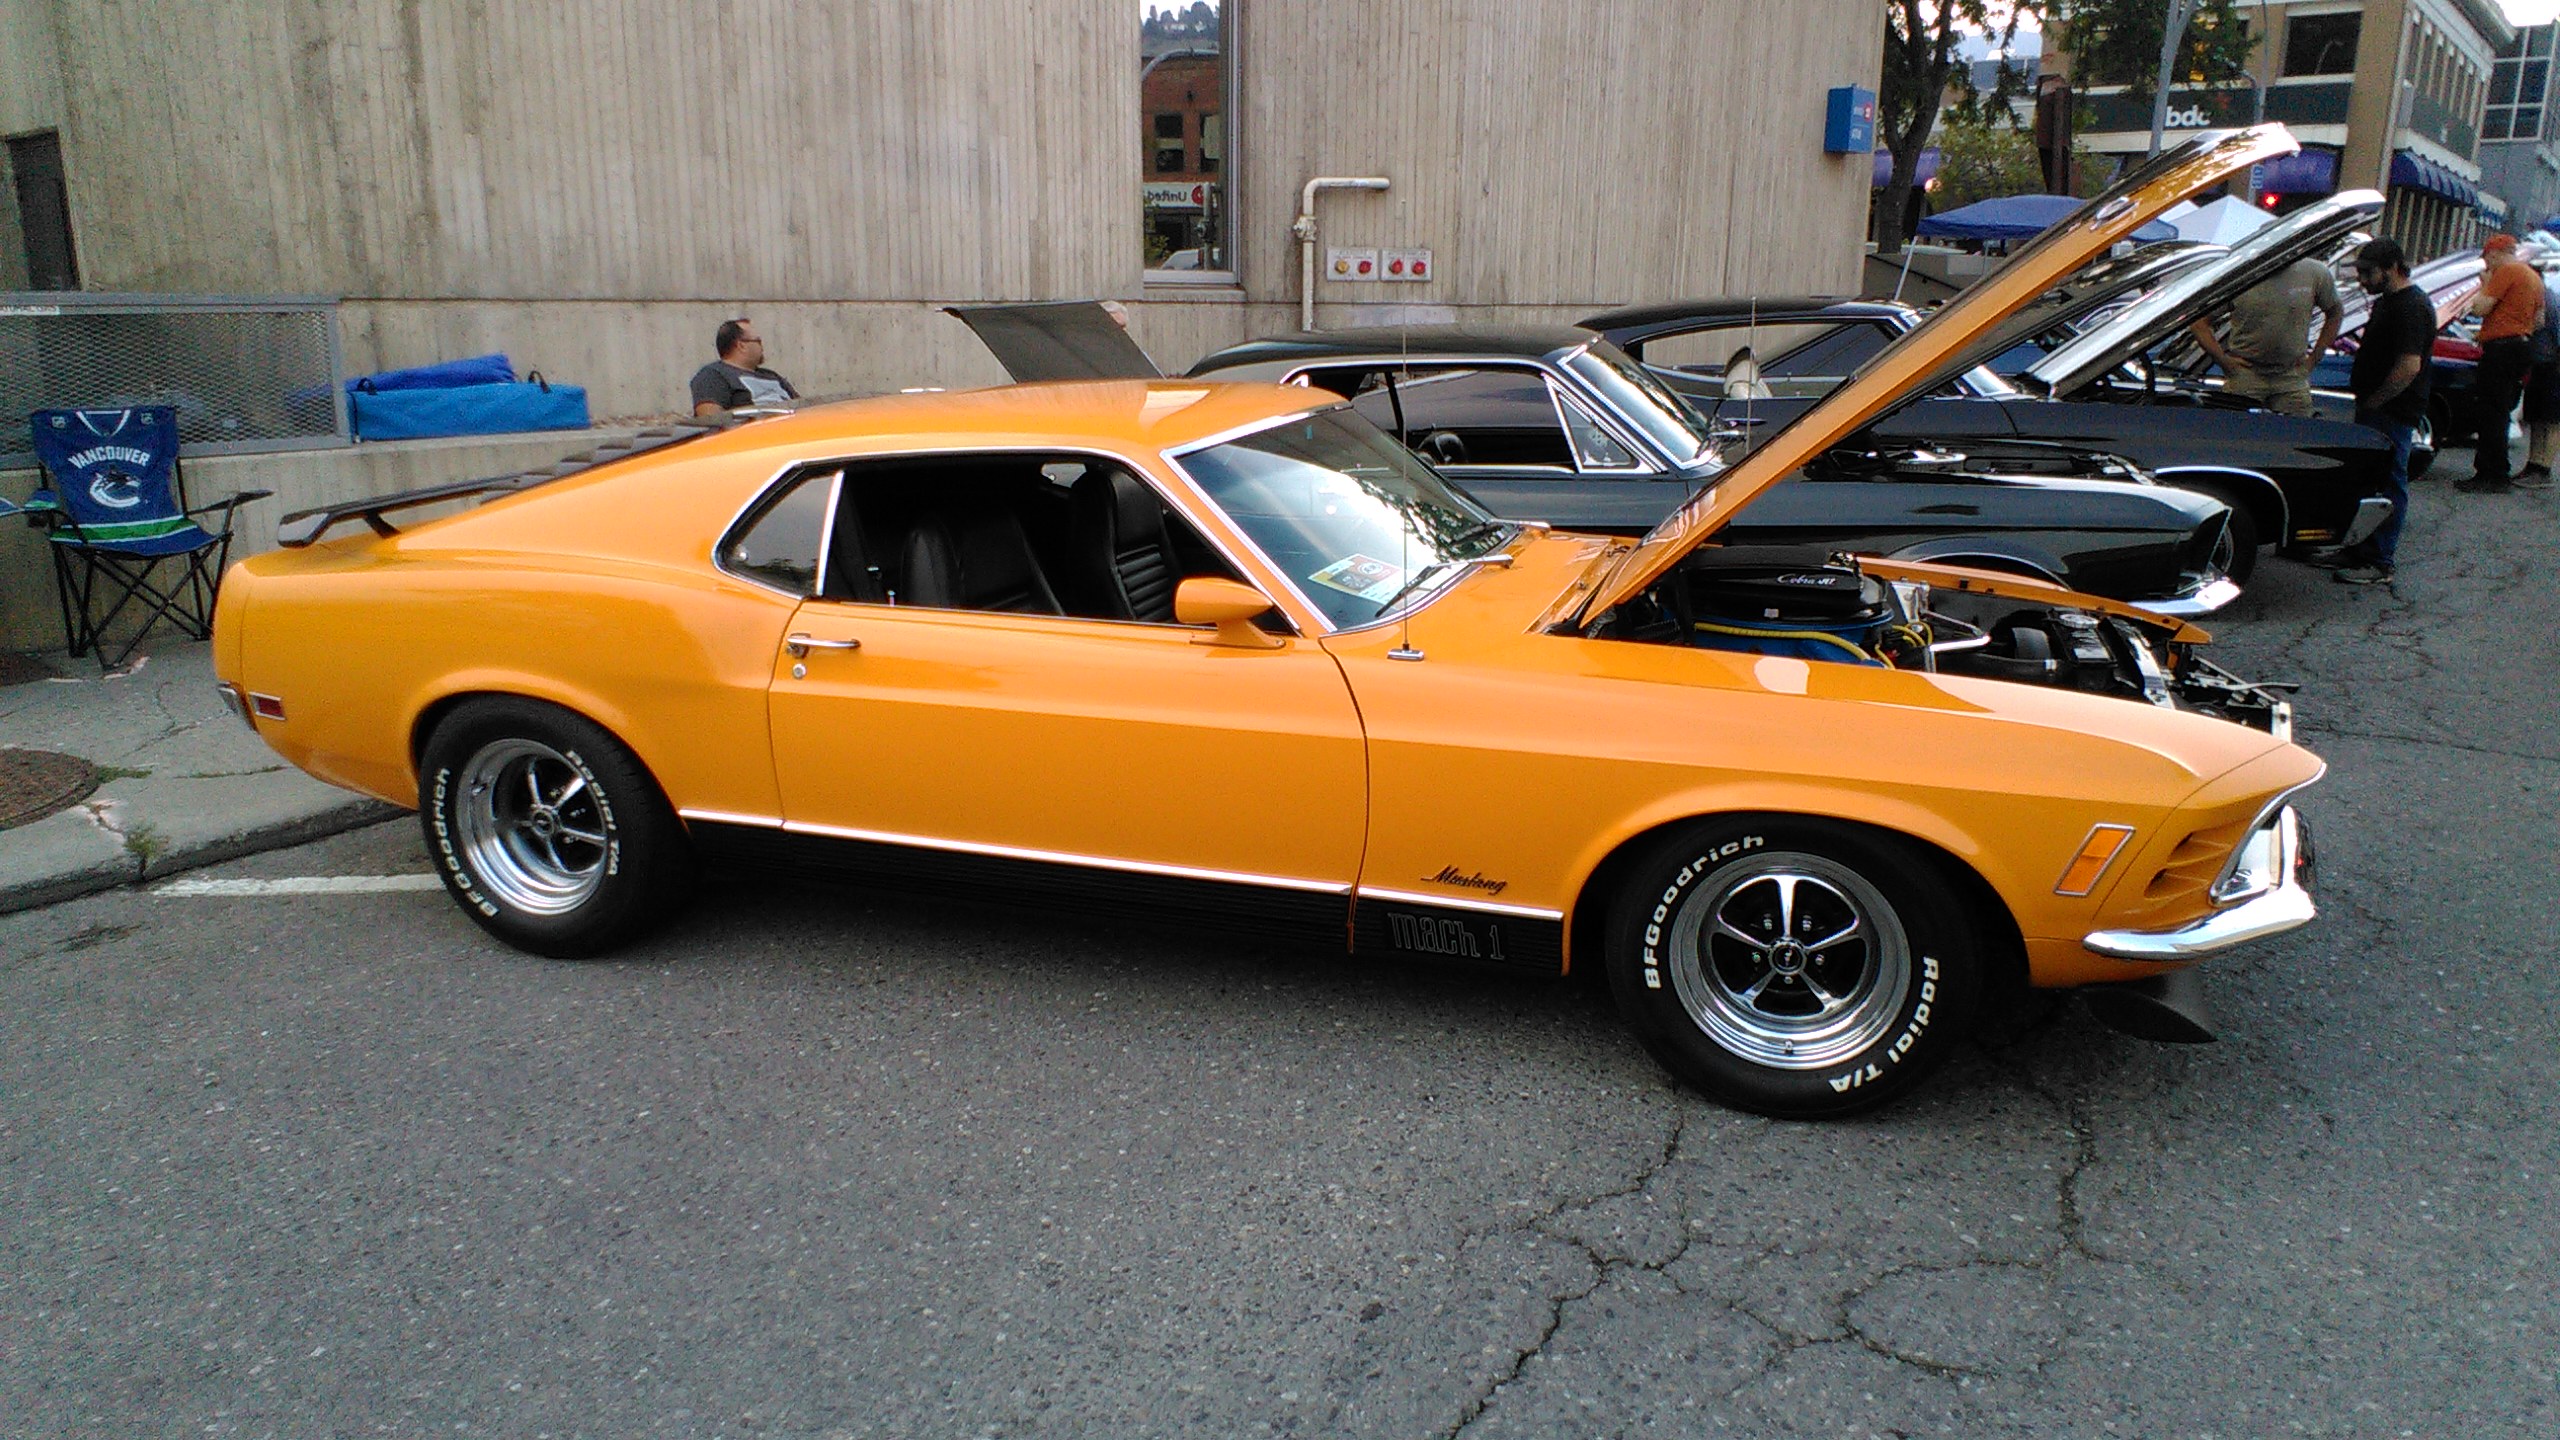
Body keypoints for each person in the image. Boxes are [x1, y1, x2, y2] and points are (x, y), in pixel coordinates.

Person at [2333, 238, 2432, 586]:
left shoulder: (2411, 306)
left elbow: (2409, 365)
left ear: (2391, 268)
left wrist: (2377, 399)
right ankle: (2358, 549)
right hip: (2376, 407)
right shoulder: (2389, 302)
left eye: (2367, 272)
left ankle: (2379, 559)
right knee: (2368, 481)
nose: (2362, 280)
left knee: (2389, 482)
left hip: (2393, 411)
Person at [2188, 254, 2344, 417]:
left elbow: (2335, 312)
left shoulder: (2314, 272)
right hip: (2246, 374)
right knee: (2239, 429)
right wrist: (2224, 361)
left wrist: (2314, 358)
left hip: (2291, 376)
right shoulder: (2239, 275)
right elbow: (2199, 322)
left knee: (2296, 429)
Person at [2460, 233, 2544, 491]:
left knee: (2490, 411)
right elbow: (2539, 320)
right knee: (2501, 409)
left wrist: (2485, 285)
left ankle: (2491, 473)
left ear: (2494, 253)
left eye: (2487, 259)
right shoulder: (2533, 276)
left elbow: (2480, 308)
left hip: (2502, 349)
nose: (2486, 265)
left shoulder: (2507, 272)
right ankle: (2496, 469)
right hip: (2522, 345)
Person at [689, 319, 799, 415]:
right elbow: (712, 420)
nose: (762, 347)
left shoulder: (772, 376)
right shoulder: (713, 375)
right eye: (758, 341)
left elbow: (802, 406)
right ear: (741, 345)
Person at [2519, 270, 2560, 490]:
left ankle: (2544, 469)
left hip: (2552, 366)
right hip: (2538, 365)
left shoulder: (2551, 302)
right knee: (2535, 417)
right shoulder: (2537, 299)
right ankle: (2533, 464)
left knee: (2551, 420)